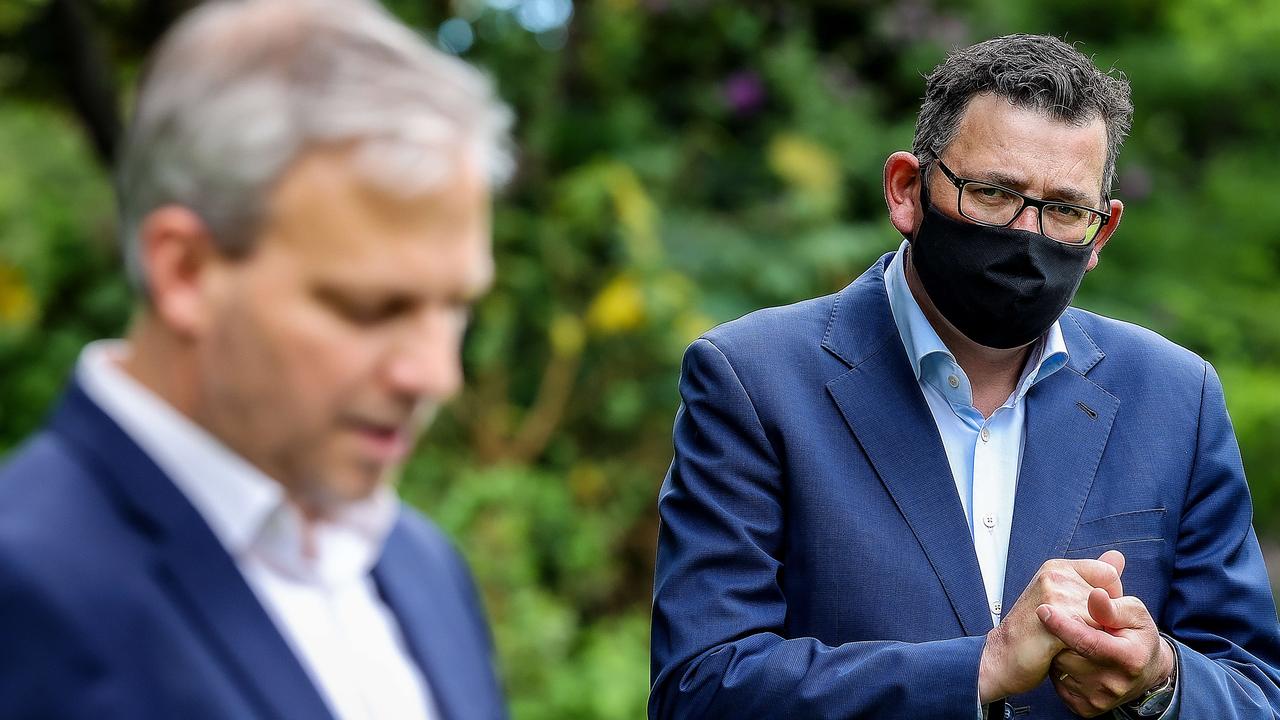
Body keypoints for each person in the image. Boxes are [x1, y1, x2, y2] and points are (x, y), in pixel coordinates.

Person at [650, 34, 1280, 719]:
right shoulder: (752, 379)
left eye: (1065, 210)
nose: (1026, 234)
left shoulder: (1176, 399)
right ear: (906, 190)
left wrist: (1162, 679)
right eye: (992, 193)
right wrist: (978, 669)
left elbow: (1254, 691)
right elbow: (700, 689)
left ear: (1101, 234)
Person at [0, 1, 512, 718]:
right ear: (184, 271)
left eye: (455, 306)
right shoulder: (24, 587)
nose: (434, 374)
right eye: (369, 309)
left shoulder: (424, 568)